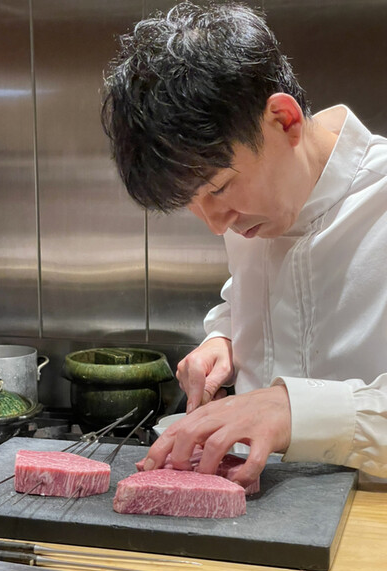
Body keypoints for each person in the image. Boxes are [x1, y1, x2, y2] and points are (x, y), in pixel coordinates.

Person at [101, 1, 387, 485]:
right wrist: (227, 336)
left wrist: (292, 409)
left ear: (283, 120)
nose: (217, 226)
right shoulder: (255, 211)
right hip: (254, 509)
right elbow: (256, 293)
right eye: (192, 203)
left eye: (219, 188)